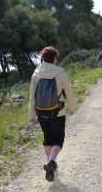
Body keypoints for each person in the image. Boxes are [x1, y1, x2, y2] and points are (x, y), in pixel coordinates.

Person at [28, 46, 74, 182]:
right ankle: (51, 162)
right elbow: (69, 93)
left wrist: (31, 115)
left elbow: (32, 97)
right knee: (58, 139)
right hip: (57, 112)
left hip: (41, 112)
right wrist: (71, 108)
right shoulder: (60, 73)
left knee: (48, 138)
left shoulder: (36, 73)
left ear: (42, 58)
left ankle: (50, 164)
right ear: (55, 58)